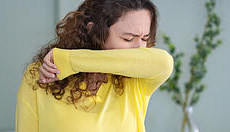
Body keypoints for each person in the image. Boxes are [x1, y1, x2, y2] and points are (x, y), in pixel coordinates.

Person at [15, 0, 174, 132]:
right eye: (128, 39)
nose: (140, 49)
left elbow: (164, 62)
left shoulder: (137, 78)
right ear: (94, 31)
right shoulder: (39, 74)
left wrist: (71, 61)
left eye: (145, 38)